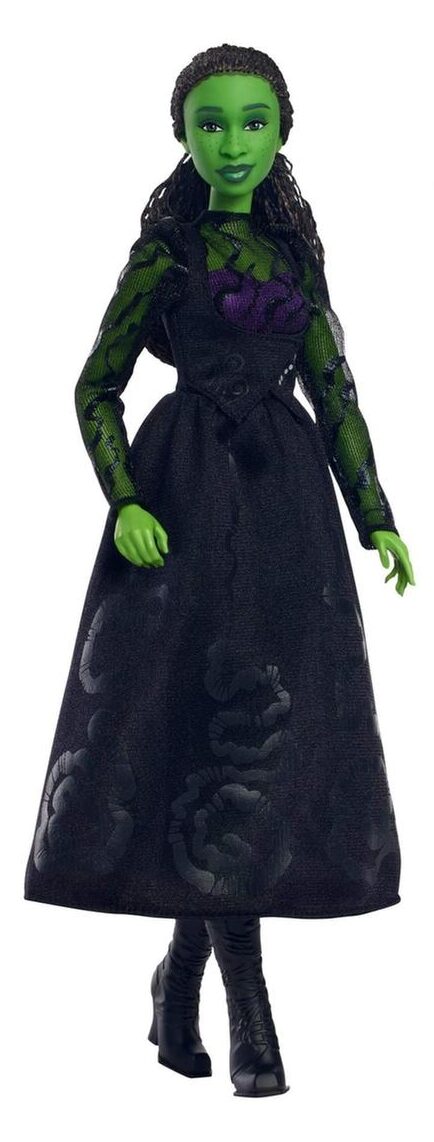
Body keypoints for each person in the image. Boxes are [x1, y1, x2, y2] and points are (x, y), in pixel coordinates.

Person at [24, 43, 415, 1098]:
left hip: (285, 508)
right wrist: (126, 500)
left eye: (251, 121)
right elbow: (94, 386)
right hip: (184, 500)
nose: (232, 142)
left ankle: (177, 981)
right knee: (198, 738)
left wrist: (375, 517)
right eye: (211, 123)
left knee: (261, 742)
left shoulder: (295, 254)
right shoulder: (165, 254)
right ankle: (251, 1019)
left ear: (282, 130)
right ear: (183, 135)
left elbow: (335, 388)